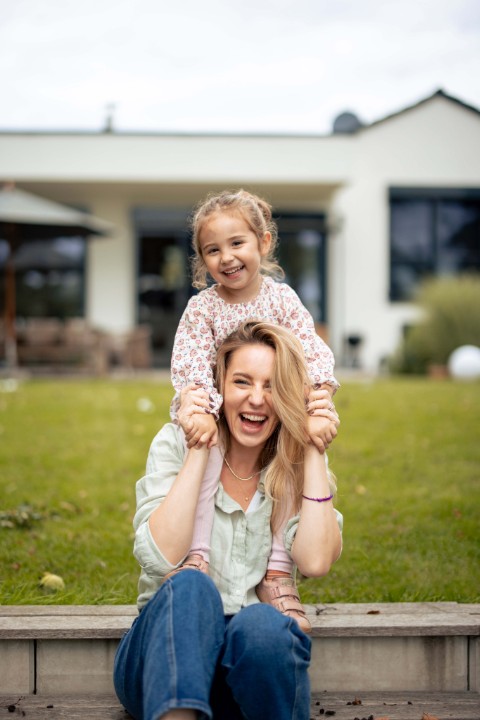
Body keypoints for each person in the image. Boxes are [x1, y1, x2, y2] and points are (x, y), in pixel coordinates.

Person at [114, 321, 343, 720]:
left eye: (272, 386)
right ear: (219, 386)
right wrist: (200, 446)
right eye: (242, 382)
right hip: (161, 660)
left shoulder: (291, 464)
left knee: (262, 625)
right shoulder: (175, 442)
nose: (257, 399)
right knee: (190, 586)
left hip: (245, 673)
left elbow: (316, 561)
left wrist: (313, 449)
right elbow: (159, 555)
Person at [169, 189, 340, 629]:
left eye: (237, 243)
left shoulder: (282, 300)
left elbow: (311, 348)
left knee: (289, 471)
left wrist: (319, 398)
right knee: (204, 459)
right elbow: (191, 362)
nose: (226, 257)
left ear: (263, 243)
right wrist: (199, 408)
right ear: (201, 261)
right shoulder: (201, 309)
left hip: (276, 413)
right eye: (212, 249)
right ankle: (198, 556)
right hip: (219, 416)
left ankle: (278, 572)